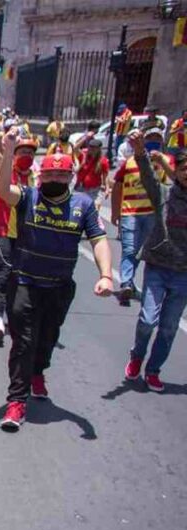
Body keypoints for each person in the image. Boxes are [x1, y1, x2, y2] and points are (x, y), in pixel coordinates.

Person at [0, 131, 114, 431]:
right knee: (23, 342)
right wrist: (8, 151)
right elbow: (2, 190)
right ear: (40, 177)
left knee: (46, 340)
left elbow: (98, 240)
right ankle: (16, 401)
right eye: (50, 175)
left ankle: (38, 373)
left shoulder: (84, 205)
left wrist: (106, 275)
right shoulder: (28, 197)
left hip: (59, 287)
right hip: (24, 283)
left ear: (71, 176)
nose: (56, 179)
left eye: (62, 174)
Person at [123, 131, 187, 392]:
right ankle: (137, 355)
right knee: (148, 320)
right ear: (177, 171)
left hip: (183, 274)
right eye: (184, 169)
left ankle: (153, 370)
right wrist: (139, 151)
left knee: (169, 327)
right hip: (158, 268)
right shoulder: (163, 193)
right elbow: (148, 176)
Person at [0, 124, 38, 346]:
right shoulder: (5, 170)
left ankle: (14, 315)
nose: (26, 155)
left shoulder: (38, 178)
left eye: (30, 152)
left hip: (28, 237)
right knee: (1, 275)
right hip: (3, 232)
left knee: (21, 279)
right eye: (22, 151)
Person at [112, 127, 170, 306]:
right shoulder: (129, 162)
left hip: (152, 214)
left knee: (139, 252)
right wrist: (115, 211)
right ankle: (126, 283)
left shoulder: (167, 161)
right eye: (150, 137)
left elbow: (175, 182)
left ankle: (129, 281)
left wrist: (162, 162)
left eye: (157, 138)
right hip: (130, 212)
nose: (154, 140)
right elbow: (117, 185)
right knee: (129, 248)